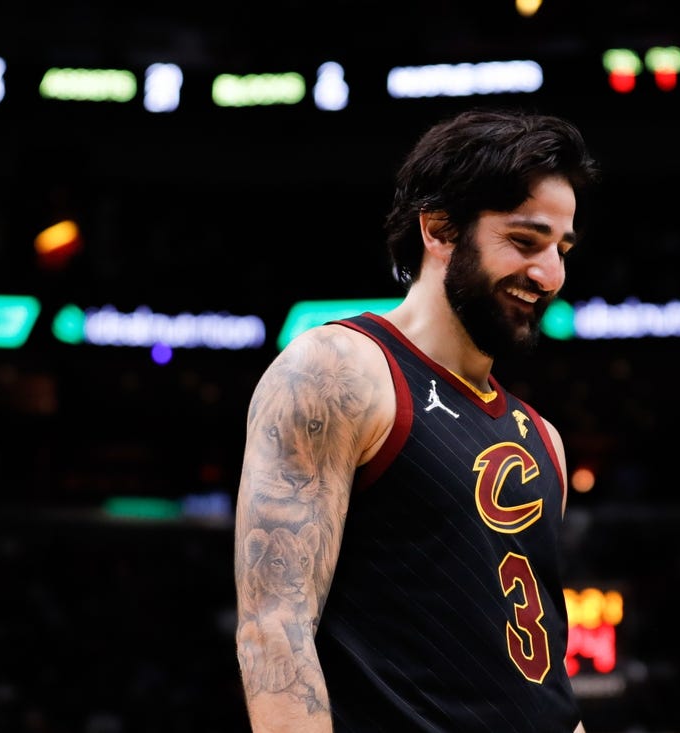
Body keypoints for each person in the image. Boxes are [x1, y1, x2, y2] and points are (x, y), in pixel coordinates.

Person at [234, 106, 601, 732]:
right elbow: (275, 631)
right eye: (524, 241)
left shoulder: (546, 441)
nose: (550, 274)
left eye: (561, 249)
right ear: (439, 229)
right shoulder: (340, 370)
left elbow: (539, 680)